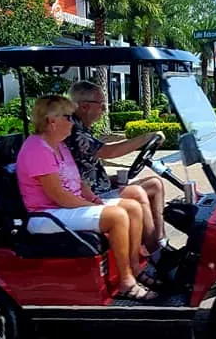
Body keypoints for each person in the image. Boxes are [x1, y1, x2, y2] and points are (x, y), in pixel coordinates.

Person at [16, 95, 154, 300]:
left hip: (66, 207)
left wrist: (94, 199)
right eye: (67, 117)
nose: (72, 122)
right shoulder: (37, 149)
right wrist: (91, 205)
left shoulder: (58, 145)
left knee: (133, 207)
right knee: (117, 216)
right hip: (46, 214)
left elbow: (78, 181)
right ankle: (126, 282)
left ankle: (135, 267)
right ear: (52, 121)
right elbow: (60, 197)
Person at [67, 81, 167, 262]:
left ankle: (160, 243)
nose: (104, 109)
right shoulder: (73, 131)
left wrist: (108, 178)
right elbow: (108, 152)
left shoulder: (82, 128)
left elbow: (87, 163)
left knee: (154, 183)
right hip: (89, 196)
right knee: (138, 194)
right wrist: (146, 137)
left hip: (98, 188)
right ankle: (156, 256)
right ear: (84, 106)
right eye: (102, 104)